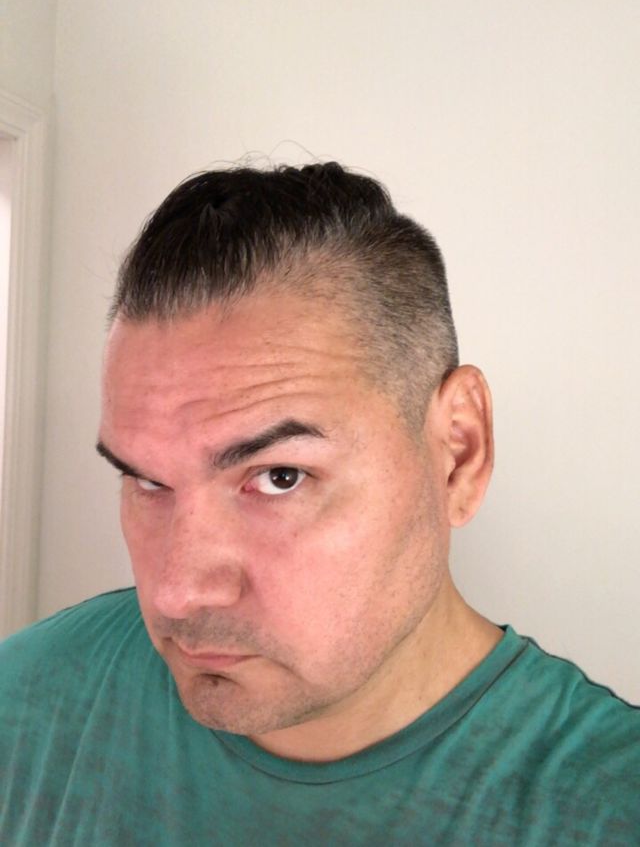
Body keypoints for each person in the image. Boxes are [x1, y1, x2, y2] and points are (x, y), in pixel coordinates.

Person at [0, 162, 638, 845]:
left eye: (280, 477)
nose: (177, 593)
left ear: (459, 452)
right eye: (148, 481)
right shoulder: (22, 700)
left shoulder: (608, 809)